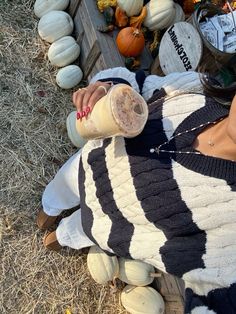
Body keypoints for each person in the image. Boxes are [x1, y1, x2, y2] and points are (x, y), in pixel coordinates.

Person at [37, 67, 236, 313]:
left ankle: (62, 237)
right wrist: (107, 89)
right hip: (84, 164)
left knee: (77, 230)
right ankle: (49, 208)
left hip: (102, 226)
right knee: (58, 191)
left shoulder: (231, 225)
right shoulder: (198, 87)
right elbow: (136, 82)